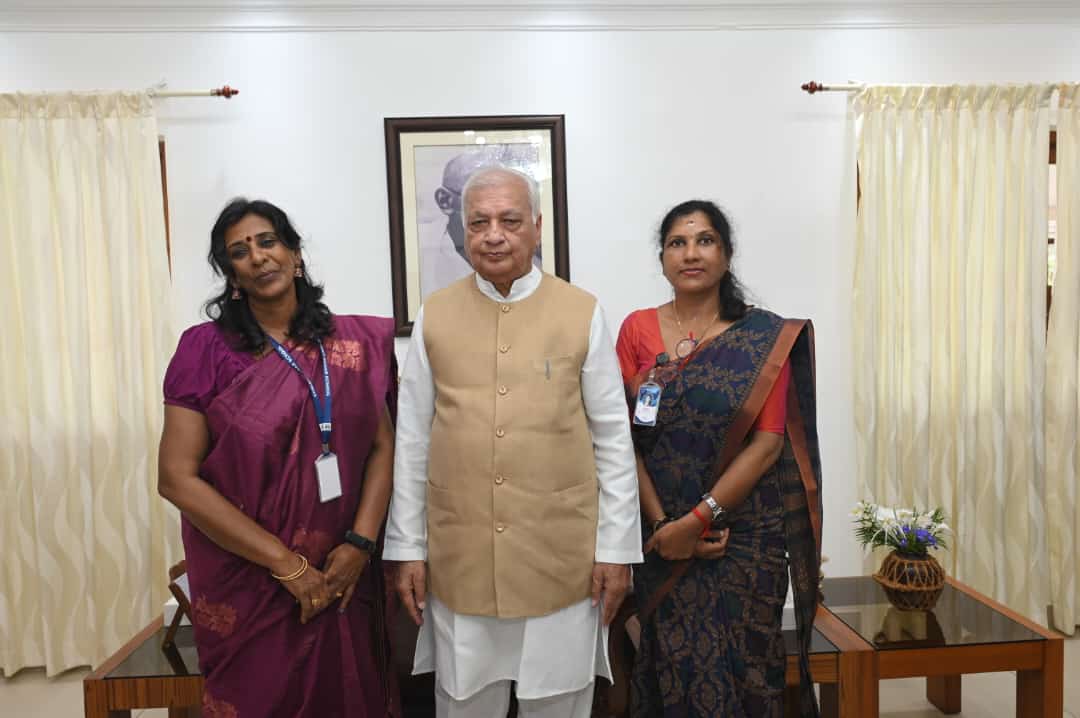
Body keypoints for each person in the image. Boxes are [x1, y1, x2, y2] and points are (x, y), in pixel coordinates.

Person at [385, 165, 642, 718]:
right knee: (464, 700)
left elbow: (613, 441)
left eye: (509, 221)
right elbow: (412, 440)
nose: (493, 235)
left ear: (537, 226)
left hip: (562, 558)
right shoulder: (436, 314)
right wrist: (406, 548)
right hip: (461, 556)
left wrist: (617, 551)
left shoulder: (581, 311)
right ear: (464, 230)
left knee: (558, 700)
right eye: (479, 223)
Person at [157, 199, 400, 718]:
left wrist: (360, 543)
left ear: (295, 254)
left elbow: (383, 446)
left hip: (340, 572)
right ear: (232, 276)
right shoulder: (204, 350)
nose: (258, 257)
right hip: (249, 581)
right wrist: (287, 567)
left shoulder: (350, 345)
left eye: (267, 242)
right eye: (239, 252)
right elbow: (176, 478)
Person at [616, 200, 823, 717]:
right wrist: (666, 527)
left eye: (705, 240)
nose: (691, 253)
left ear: (727, 255)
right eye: (677, 243)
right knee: (668, 669)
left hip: (743, 538)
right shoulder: (636, 329)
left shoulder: (763, 338)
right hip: (659, 536)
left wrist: (699, 518)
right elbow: (622, 439)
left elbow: (767, 443)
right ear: (662, 259)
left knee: (746, 674)